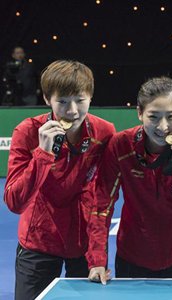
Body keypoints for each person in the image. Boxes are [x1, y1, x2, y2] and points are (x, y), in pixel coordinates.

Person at [3, 60, 116, 300]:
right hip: (38, 242)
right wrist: (43, 154)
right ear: (47, 99)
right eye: (62, 101)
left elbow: (103, 199)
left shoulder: (105, 133)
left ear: (91, 97)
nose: (72, 110)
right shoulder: (27, 131)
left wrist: (97, 257)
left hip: (83, 244)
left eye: (80, 100)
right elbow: (14, 202)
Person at [87, 76, 172, 283]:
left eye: (171, 116)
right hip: (132, 255)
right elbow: (101, 204)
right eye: (153, 117)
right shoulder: (121, 145)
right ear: (139, 113)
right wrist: (97, 259)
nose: (163, 126)